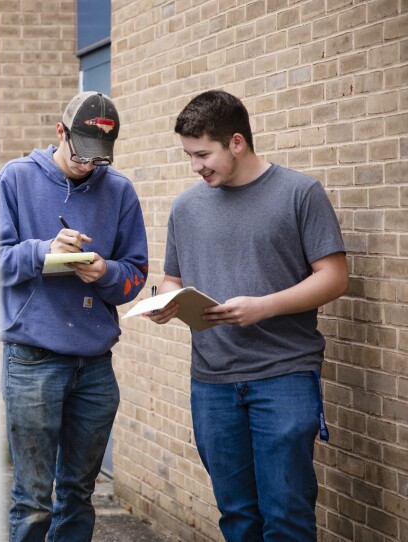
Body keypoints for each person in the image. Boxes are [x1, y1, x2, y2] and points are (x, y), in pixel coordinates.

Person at [146, 90, 348, 541]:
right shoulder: (186, 208)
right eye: (188, 155)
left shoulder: (300, 193)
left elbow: (334, 278)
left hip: (283, 376)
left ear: (236, 142)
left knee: (286, 518)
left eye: (202, 154)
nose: (195, 166)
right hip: (211, 383)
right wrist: (164, 301)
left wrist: (263, 306)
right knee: (237, 518)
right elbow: (173, 278)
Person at [0, 91, 149, 541]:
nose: (89, 165)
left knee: (79, 495)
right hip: (33, 360)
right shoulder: (16, 179)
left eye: (99, 157)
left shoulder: (118, 190)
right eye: (81, 153)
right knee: (33, 499)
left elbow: (134, 276)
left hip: (95, 365)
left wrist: (105, 273)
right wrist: (44, 251)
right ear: (60, 133)